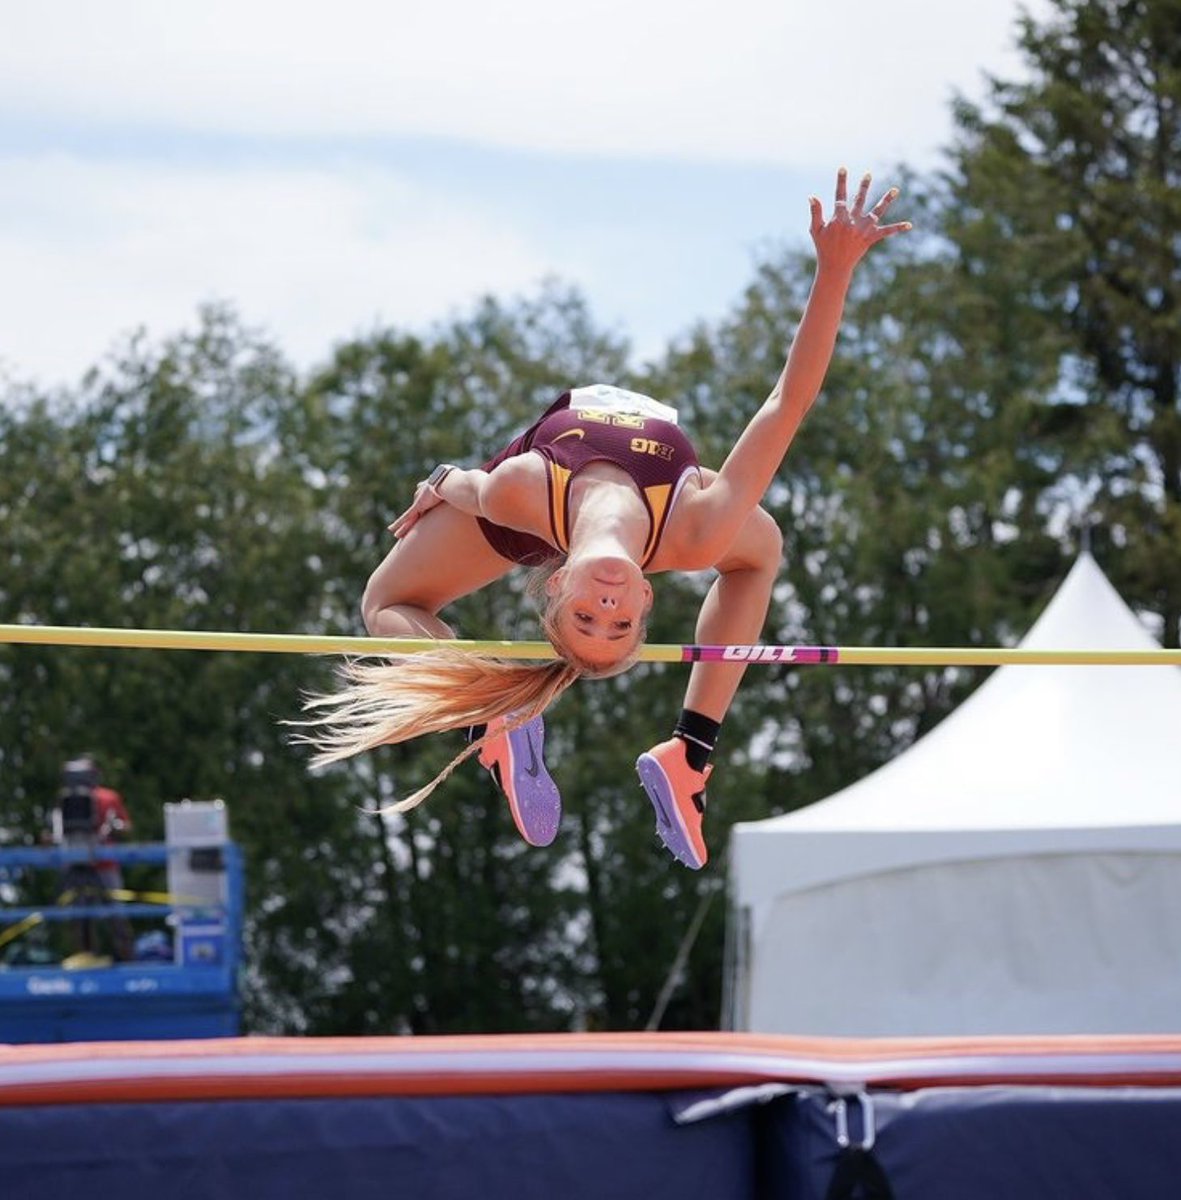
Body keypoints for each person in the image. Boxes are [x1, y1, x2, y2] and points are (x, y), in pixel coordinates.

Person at [300, 169, 910, 868]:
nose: (608, 607)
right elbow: (786, 406)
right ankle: (691, 756)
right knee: (758, 549)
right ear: (649, 595)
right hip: (659, 507)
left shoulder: (519, 492)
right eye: (620, 624)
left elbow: (470, 487)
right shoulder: (696, 530)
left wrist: (441, 480)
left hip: (541, 511)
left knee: (385, 600)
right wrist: (834, 271)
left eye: (587, 618)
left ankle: (488, 718)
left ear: (556, 587)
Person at [54, 756, 135, 960]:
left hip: (103, 864)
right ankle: (88, 957)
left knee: (113, 913)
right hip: (76, 863)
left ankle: (125, 959)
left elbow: (126, 827)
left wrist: (113, 828)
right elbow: (57, 830)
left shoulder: (108, 798)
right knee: (81, 915)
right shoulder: (64, 800)